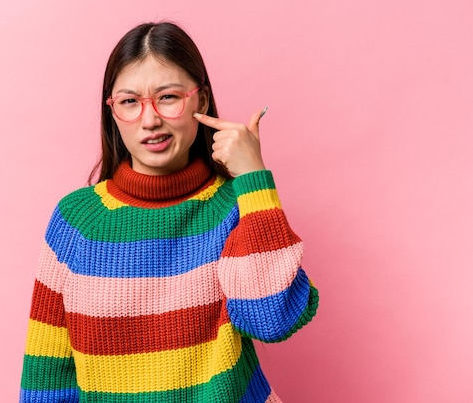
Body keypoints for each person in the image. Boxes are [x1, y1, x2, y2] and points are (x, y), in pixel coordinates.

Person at [19, 21, 319, 403]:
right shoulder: (77, 221)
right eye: (129, 102)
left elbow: (271, 319)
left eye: (168, 97)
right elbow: (47, 372)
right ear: (111, 111)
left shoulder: (236, 206)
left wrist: (254, 179)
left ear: (202, 101)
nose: (149, 120)